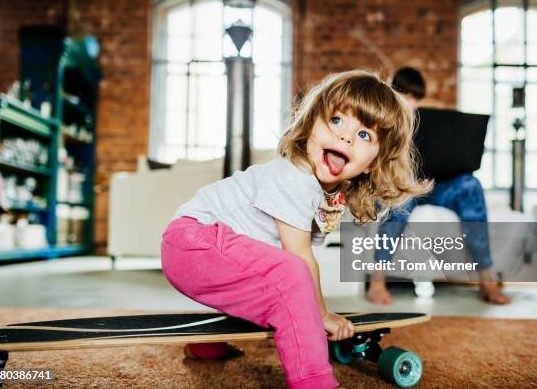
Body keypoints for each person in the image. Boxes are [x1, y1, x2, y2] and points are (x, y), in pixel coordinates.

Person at [161, 70, 431, 389]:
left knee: (276, 282)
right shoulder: (295, 177)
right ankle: (313, 381)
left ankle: (209, 343)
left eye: (364, 136)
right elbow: (299, 257)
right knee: (292, 273)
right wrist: (322, 314)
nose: (345, 137)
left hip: (205, 251)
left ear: (372, 163)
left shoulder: (327, 193)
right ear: (311, 124)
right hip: (194, 243)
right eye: (337, 121)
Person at [366, 67, 511, 306]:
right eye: (406, 96)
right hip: (403, 186)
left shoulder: (429, 121)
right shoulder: (381, 120)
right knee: (398, 199)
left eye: (415, 98)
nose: (411, 103)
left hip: (436, 185)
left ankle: (486, 280)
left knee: (471, 185)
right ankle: (377, 281)